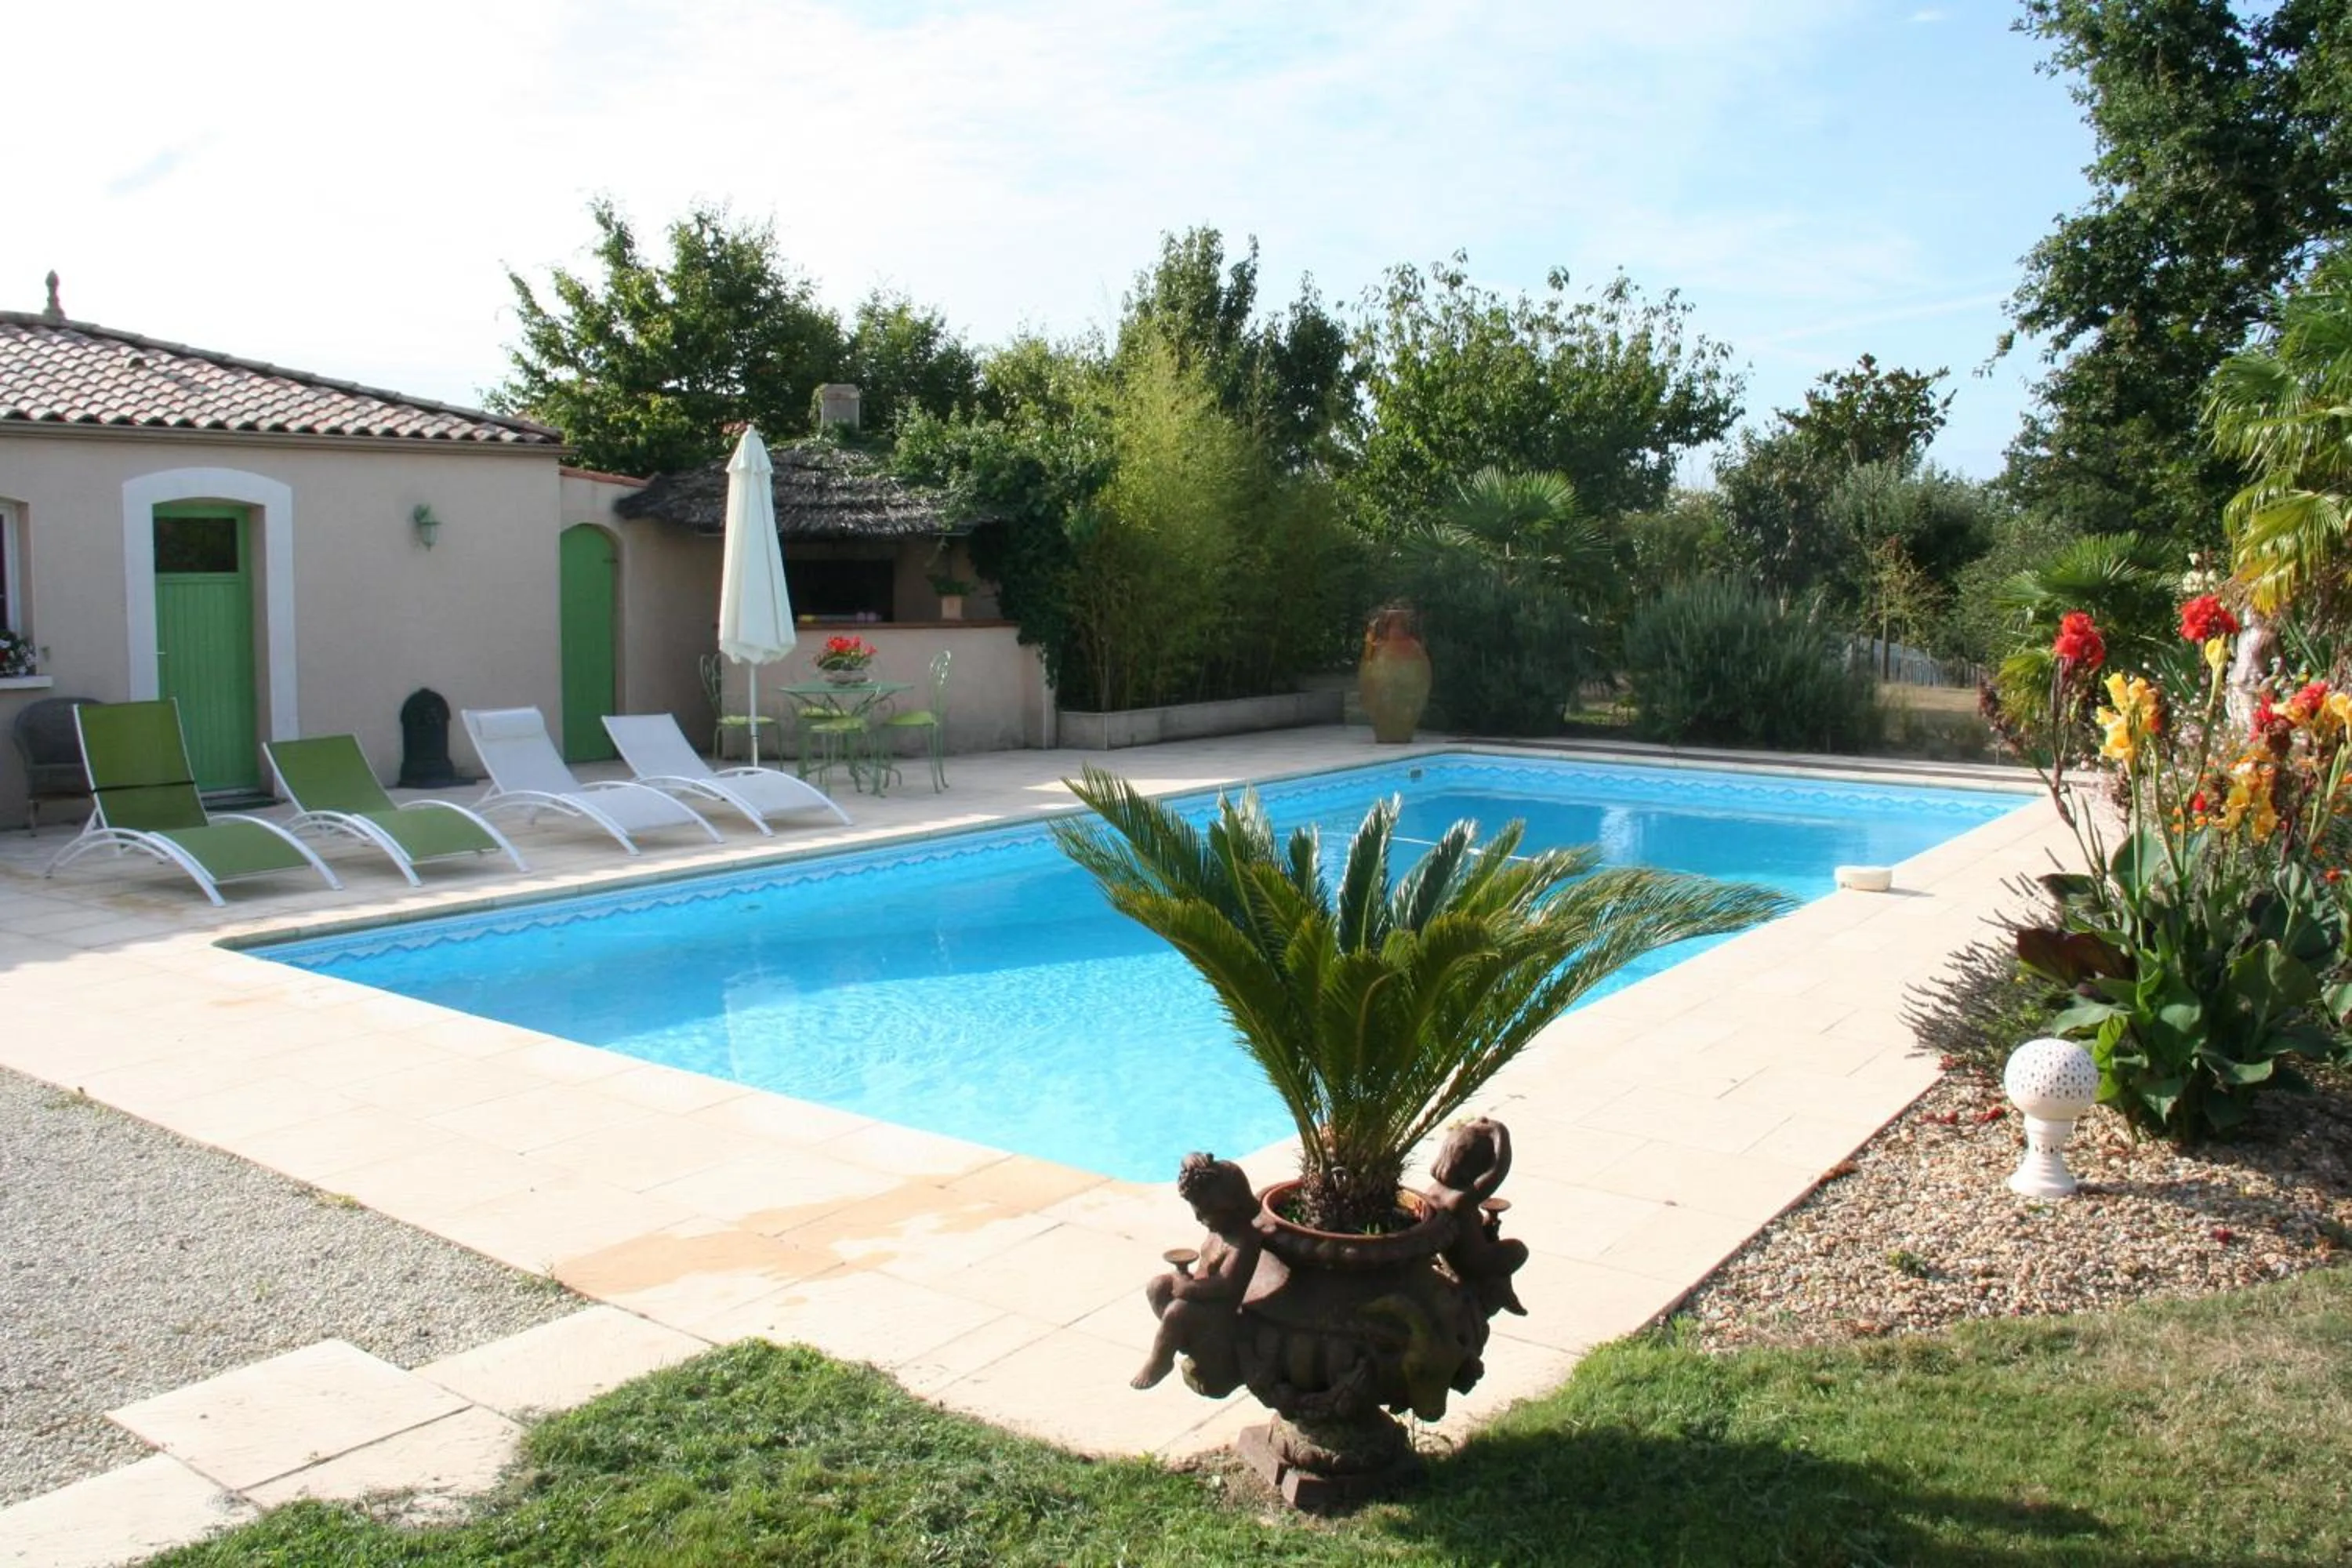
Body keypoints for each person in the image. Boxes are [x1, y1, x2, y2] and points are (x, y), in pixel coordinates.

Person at [1132, 1152, 1261, 1394]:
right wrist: (1192, 1161)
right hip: (1200, 1294)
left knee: (1176, 1312)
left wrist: (1187, 1289)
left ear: (1231, 1206)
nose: (1199, 1218)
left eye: (1205, 1212)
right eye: (1197, 1211)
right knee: (1157, 1286)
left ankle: (1161, 1360)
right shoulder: (1219, 1229)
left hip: (1219, 1311)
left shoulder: (1244, 1241)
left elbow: (1226, 1286)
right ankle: (1184, 1340)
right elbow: (1195, 1165)